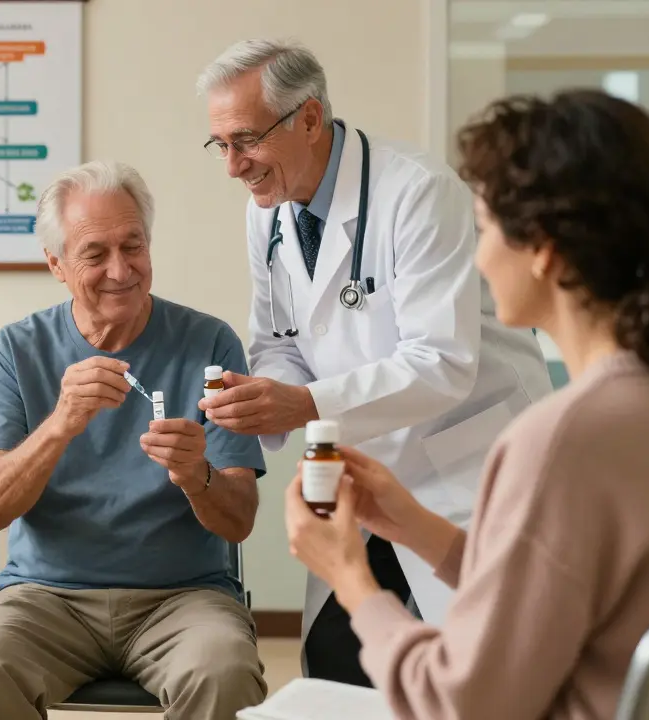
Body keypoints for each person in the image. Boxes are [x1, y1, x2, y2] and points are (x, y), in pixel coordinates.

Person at [194, 39, 554, 684]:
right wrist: (262, 395)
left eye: (244, 140)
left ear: (307, 118)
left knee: (474, 668)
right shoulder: (268, 213)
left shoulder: (417, 192)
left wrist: (304, 403)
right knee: (338, 660)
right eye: (219, 144)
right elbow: (279, 342)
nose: (233, 166)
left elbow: (441, 361)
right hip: (364, 465)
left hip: (464, 463)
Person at [285, 89, 649, 719]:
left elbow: (462, 701)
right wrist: (411, 525)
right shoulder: (631, 407)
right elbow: (546, 595)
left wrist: (351, 579)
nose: (478, 257)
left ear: (542, 249)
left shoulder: (562, 441)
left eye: (484, 229)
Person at [0, 161, 268, 720]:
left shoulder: (210, 343)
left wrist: (197, 476)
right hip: (46, 597)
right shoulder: (16, 351)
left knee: (226, 670)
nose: (122, 270)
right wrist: (60, 424)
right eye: (95, 254)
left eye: (133, 245)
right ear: (57, 265)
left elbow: (238, 521)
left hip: (183, 596)